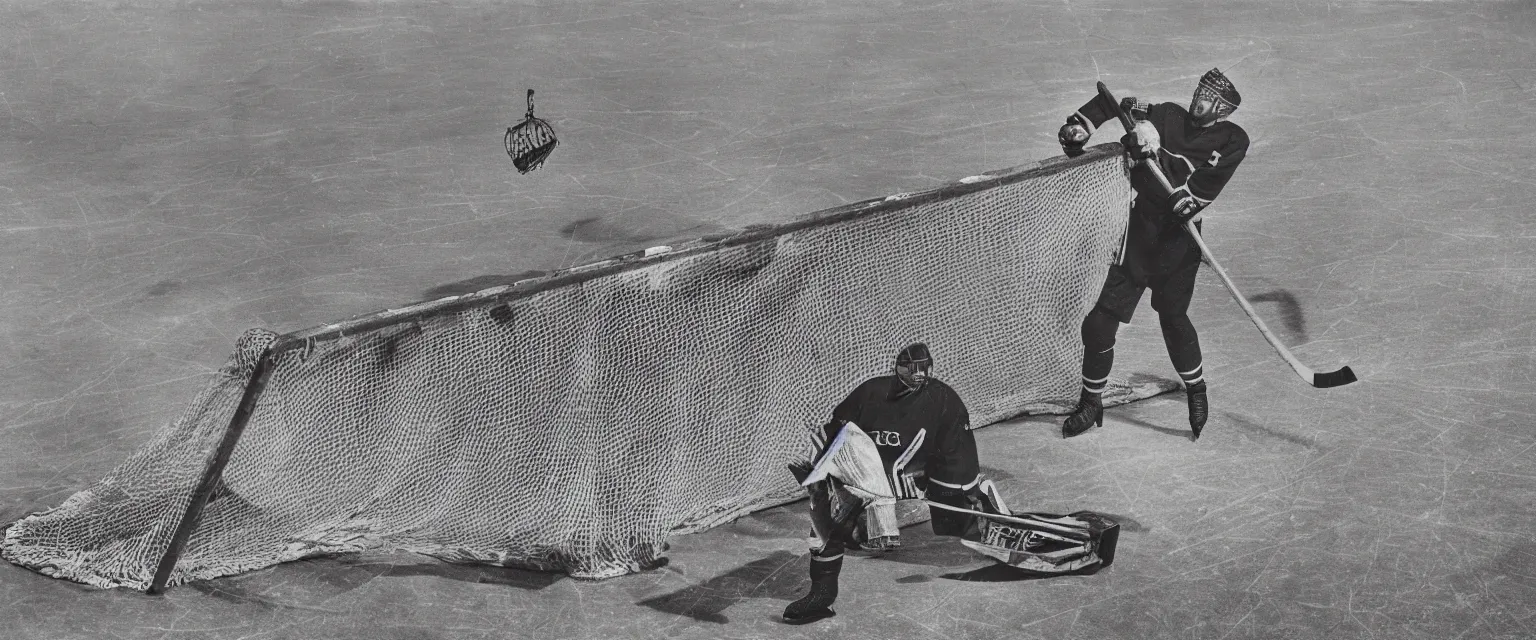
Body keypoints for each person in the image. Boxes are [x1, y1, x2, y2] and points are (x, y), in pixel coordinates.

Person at [1053, 68, 1250, 441]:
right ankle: (1091, 402)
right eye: (1198, 90)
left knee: (1173, 318)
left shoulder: (1232, 139)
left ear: (1222, 109)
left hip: (1179, 242)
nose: (1198, 99)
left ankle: (1196, 389)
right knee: (1099, 323)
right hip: (1140, 232)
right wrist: (1080, 125)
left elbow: (1199, 188)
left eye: (1208, 97)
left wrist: (1168, 171)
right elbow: (1117, 104)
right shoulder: (1167, 114)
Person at [782, 343, 999, 624]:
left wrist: (960, 486)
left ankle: (984, 508)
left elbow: (957, 452)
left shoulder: (944, 400)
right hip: (870, 476)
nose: (919, 374)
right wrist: (823, 470)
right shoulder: (871, 391)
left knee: (954, 521)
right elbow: (837, 429)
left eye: (924, 367)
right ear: (898, 367)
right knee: (825, 517)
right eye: (912, 367)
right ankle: (822, 594)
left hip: (920, 475)